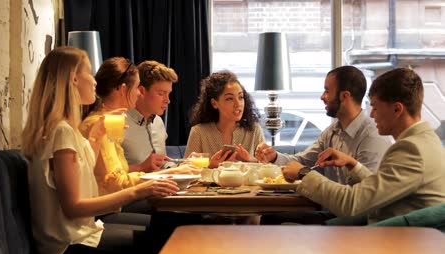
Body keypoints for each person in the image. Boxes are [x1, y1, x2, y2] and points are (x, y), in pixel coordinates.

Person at [21, 47, 179, 254]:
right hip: (68, 243)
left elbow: (87, 180)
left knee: (165, 227)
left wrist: (95, 137)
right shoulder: (62, 132)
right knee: (164, 237)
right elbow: (73, 206)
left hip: (86, 231)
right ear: (73, 79)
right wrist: (141, 190)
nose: (95, 81)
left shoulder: (68, 130)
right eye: (89, 72)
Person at [282, 68, 445, 224]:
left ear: (397, 109)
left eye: (374, 107)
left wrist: (304, 174)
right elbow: (381, 191)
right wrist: (353, 165)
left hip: (399, 243)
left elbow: (351, 203)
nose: (372, 114)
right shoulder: (427, 140)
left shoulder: (411, 150)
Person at [80, 57, 199, 215]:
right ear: (123, 90)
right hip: (111, 209)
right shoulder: (101, 124)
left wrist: (175, 171)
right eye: (136, 87)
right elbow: (114, 184)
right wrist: (166, 174)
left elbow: (114, 176)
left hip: (120, 203)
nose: (138, 93)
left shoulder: (111, 121)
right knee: (182, 215)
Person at [256, 65, 391, 185]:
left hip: (353, 212)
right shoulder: (332, 131)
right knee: (272, 214)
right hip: (333, 209)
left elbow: (363, 196)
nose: (322, 97)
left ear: (344, 96)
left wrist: (304, 174)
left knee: (273, 214)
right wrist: (274, 157)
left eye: (327, 91)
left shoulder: (372, 137)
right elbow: (303, 160)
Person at [185, 70, 265, 168]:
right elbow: (186, 170)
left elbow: (266, 169)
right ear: (214, 103)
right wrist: (210, 166)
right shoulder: (199, 132)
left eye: (240, 97)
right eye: (229, 98)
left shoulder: (254, 130)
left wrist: (250, 160)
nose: (238, 104)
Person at [122, 60, 178, 172]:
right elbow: (105, 175)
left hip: (161, 187)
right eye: (161, 94)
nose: (167, 101)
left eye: (168, 94)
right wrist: (140, 168)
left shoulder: (158, 122)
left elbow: (161, 165)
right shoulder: (120, 122)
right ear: (141, 91)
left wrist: (180, 166)